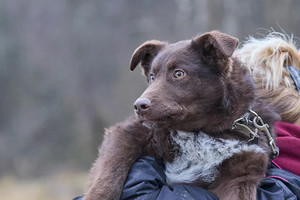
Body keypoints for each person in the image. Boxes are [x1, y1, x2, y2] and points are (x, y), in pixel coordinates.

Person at [74, 32, 300, 199]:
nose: (145, 97)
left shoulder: (262, 153)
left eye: (178, 74)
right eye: (153, 77)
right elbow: (121, 138)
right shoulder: (157, 130)